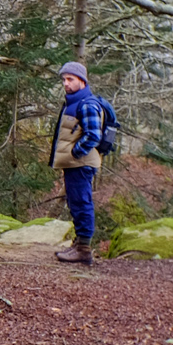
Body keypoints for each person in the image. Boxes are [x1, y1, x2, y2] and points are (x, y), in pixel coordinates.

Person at [50, 61, 104, 265]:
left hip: (81, 164)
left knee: (82, 203)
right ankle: (79, 244)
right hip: (75, 164)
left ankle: (83, 250)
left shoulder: (87, 104)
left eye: (70, 79)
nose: (66, 83)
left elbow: (93, 136)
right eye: (64, 79)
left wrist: (75, 153)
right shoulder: (73, 102)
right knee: (75, 202)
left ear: (82, 80)